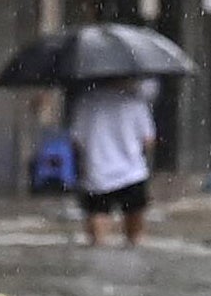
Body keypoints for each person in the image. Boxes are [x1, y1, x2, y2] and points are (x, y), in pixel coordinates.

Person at [64, 73, 158, 245]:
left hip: (96, 174)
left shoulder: (86, 102)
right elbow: (149, 141)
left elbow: (76, 140)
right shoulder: (135, 102)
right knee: (135, 239)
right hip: (132, 174)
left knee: (97, 240)